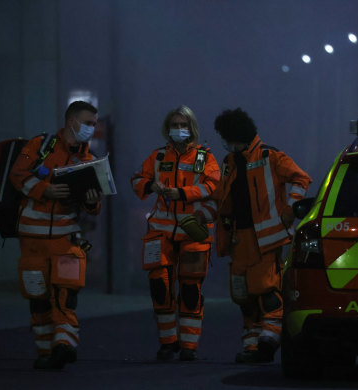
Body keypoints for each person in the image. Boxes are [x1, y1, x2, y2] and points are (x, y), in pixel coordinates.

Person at [211, 108, 312, 363]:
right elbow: (221, 199)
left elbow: (301, 178)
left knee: (266, 290)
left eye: (227, 137)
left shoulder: (271, 156)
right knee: (243, 296)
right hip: (239, 240)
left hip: (267, 239)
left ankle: (268, 341)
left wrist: (291, 208)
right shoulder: (228, 163)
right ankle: (251, 346)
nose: (225, 142)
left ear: (238, 134)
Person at [9, 100, 103, 369]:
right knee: (38, 298)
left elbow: (94, 209)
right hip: (33, 240)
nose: (90, 128)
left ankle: (64, 344)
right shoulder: (40, 144)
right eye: (87, 122)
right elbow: (17, 175)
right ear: (70, 121)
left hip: (67, 238)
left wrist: (92, 201)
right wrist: (44, 190)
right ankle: (45, 351)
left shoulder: (90, 160)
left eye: (94, 124)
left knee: (65, 295)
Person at [131, 105, 220, 361]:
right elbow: (136, 180)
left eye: (184, 125)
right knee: (160, 288)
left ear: (191, 128)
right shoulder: (158, 157)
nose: (179, 130)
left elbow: (212, 186)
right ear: (167, 128)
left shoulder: (205, 156)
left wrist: (181, 193)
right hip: (161, 230)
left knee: (191, 291)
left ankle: (189, 346)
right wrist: (150, 185)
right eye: (175, 125)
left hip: (193, 231)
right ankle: (168, 342)